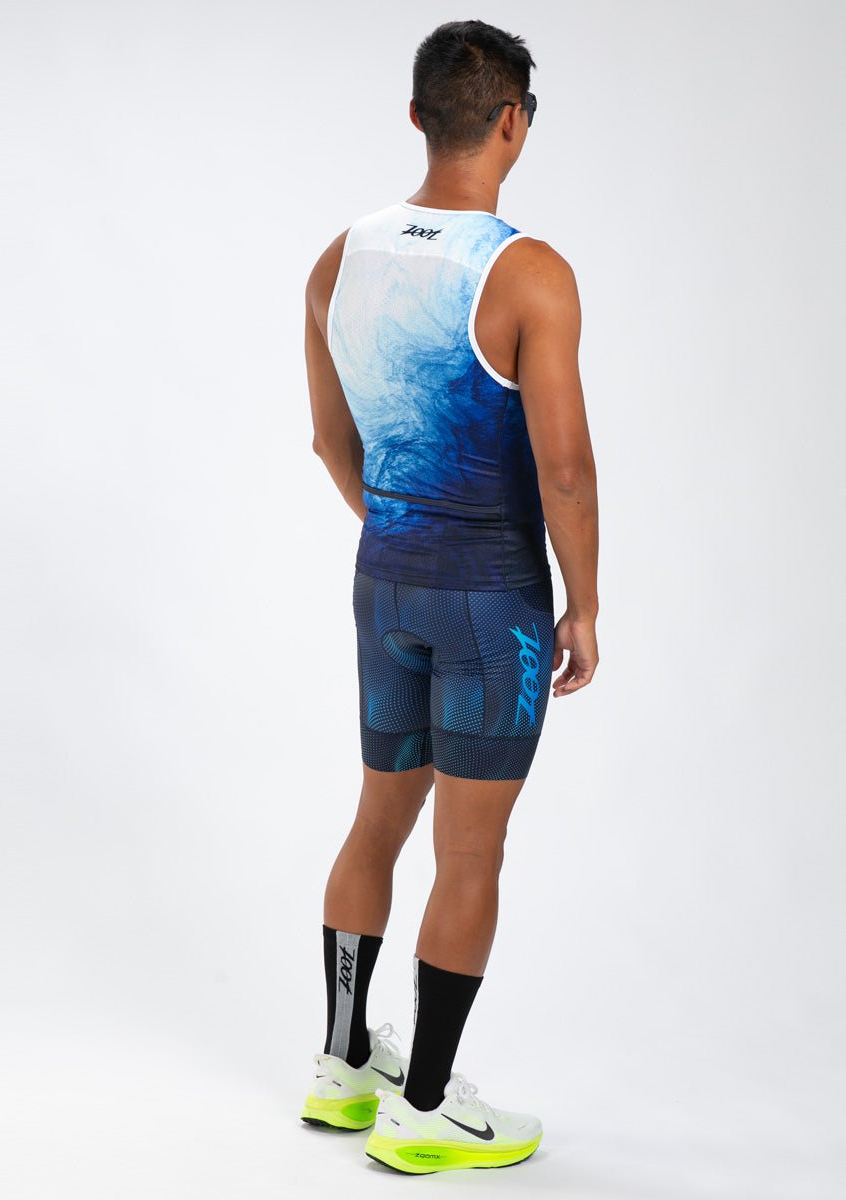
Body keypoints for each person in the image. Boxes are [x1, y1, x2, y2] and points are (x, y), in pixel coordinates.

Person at [301, 19, 599, 1175]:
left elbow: (331, 444)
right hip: (492, 598)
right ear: (512, 123)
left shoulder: (340, 258)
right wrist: (583, 604)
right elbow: (563, 469)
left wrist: (402, 533)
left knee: (378, 817)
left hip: (384, 582)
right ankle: (425, 1106)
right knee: (469, 855)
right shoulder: (528, 273)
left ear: (419, 117)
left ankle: (342, 1067)